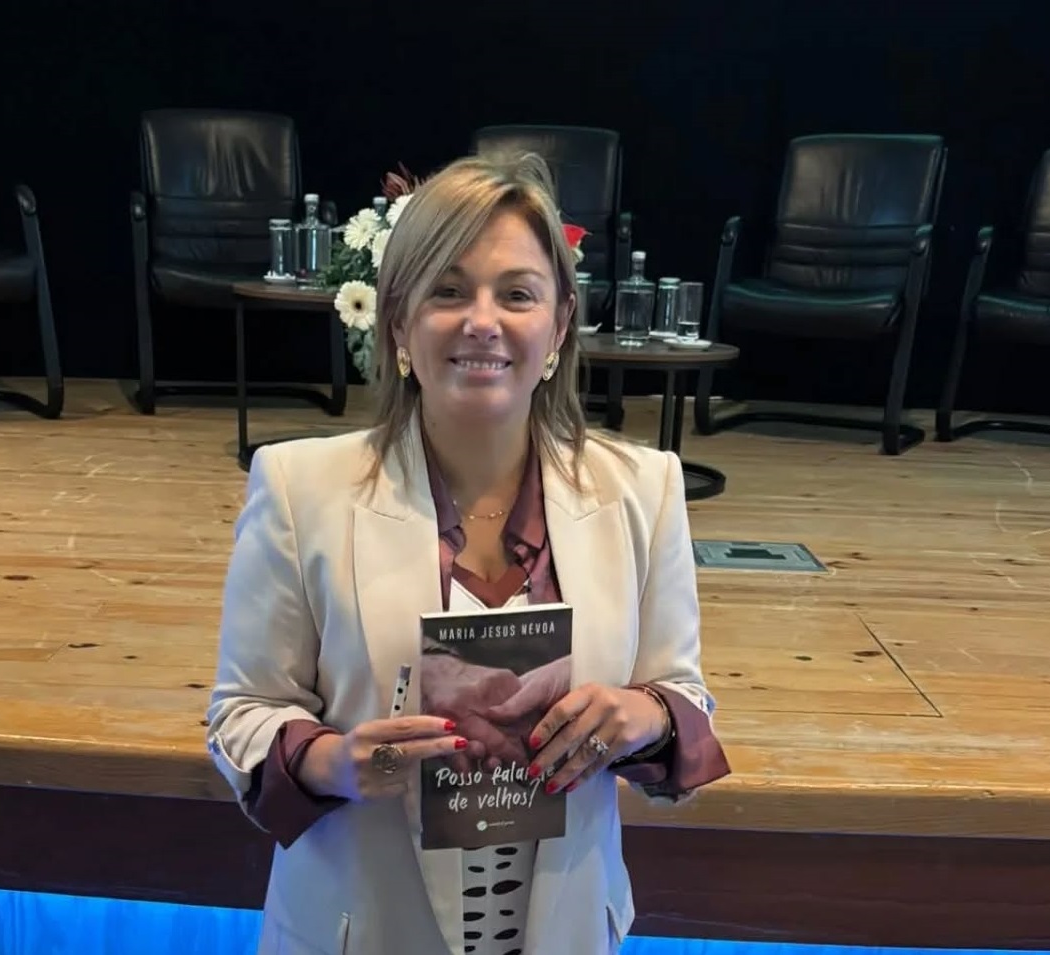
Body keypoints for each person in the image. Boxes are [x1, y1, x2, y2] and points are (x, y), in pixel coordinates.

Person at [206, 152, 730, 955]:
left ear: (558, 326)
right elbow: (243, 712)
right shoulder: (297, 486)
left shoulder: (644, 488)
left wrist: (646, 714)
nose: (482, 320)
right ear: (397, 324)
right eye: (447, 291)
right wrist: (331, 761)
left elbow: (682, 694)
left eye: (516, 294)